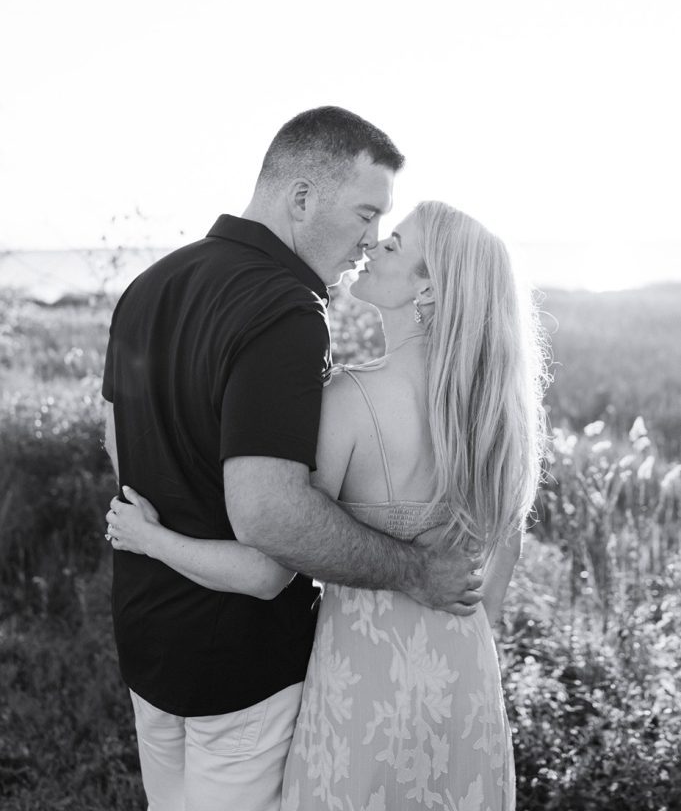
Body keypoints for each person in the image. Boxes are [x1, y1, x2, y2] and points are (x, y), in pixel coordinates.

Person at [107, 199, 548, 810]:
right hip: (465, 677)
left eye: (392, 245)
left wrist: (151, 538)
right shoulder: (501, 417)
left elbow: (280, 546)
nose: (371, 245)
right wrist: (464, 651)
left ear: (430, 287)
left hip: (362, 682)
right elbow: (504, 560)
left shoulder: (348, 401)